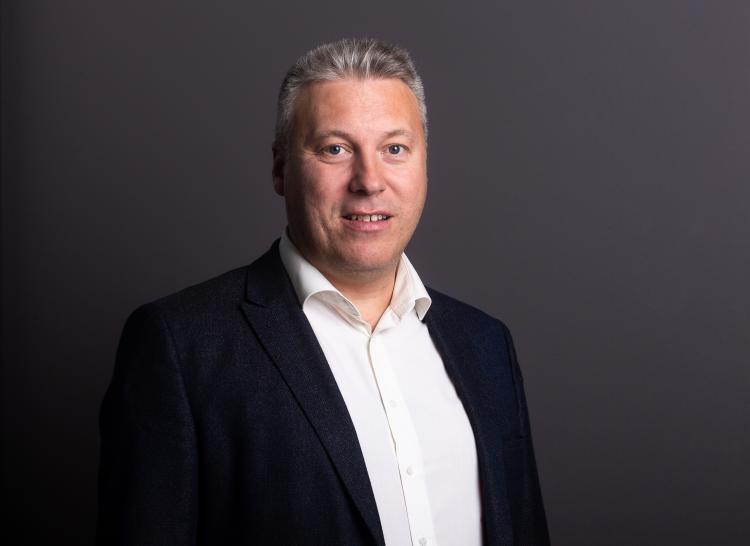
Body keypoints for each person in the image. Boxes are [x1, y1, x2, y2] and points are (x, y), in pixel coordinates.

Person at [97, 38, 550, 546]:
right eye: (335, 149)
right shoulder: (182, 347)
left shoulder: (486, 344)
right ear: (280, 169)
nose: (369, 181)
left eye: (394, 149)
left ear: (424, 162)